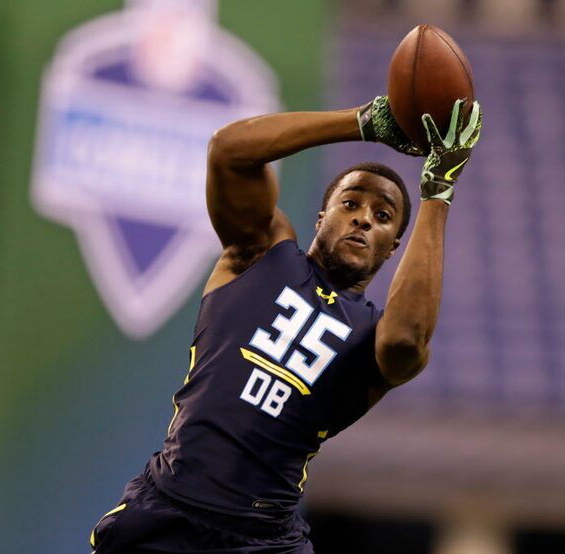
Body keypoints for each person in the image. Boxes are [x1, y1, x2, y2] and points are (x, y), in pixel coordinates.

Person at [89, 95, 482, 553]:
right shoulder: (260, 254)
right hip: (168, 509)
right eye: (350, 202)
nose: (362, 219)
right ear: (321, 217)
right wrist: (363, 122)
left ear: (394, 246)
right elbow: (228, 151)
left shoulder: (377, 336)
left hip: (263, 540)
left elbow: (408, 339)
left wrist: (437, 193)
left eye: (382, 217)